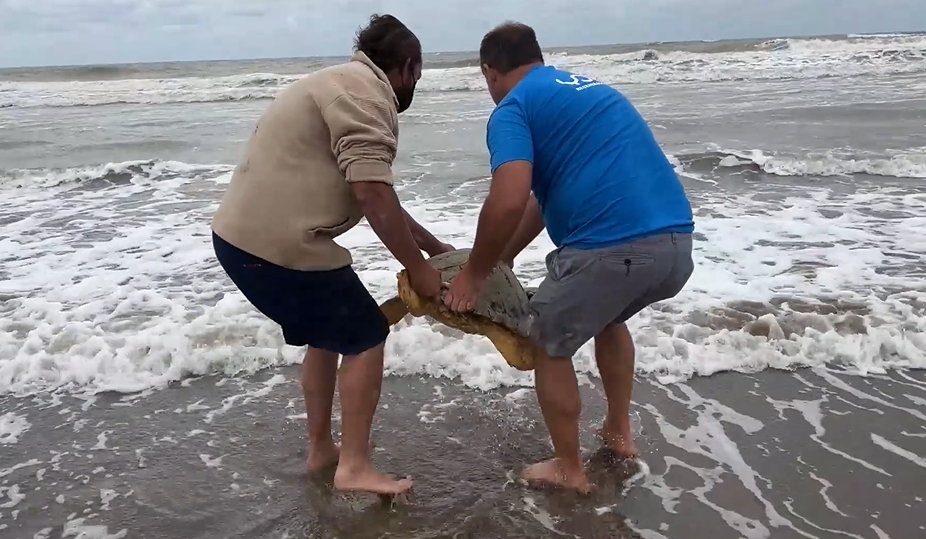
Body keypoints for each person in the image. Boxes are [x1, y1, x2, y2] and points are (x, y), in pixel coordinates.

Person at [443, 22, 695, 492]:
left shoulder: (514, 107)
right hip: (676, 245)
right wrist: (504, 257)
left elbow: (510, 195)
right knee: (608, 318)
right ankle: (619, 434)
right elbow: (542, 198)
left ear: (489, 72)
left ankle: (568, 468)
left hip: (611, 249)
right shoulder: (586, 91)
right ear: (537, 58)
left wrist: (475, 274)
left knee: (547, 342)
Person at [211, 14, 453, 496]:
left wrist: (432, 247)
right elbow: (371, 193)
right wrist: (419, 269)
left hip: (244, 242)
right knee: (365, 335)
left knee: (326, 336)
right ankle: (355, 467)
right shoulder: (365, 95)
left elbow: (374, 191)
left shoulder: (339, 82)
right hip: (280, 247)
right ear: (407, 67)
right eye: (417, 78)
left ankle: (322, 448)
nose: (414, 89)